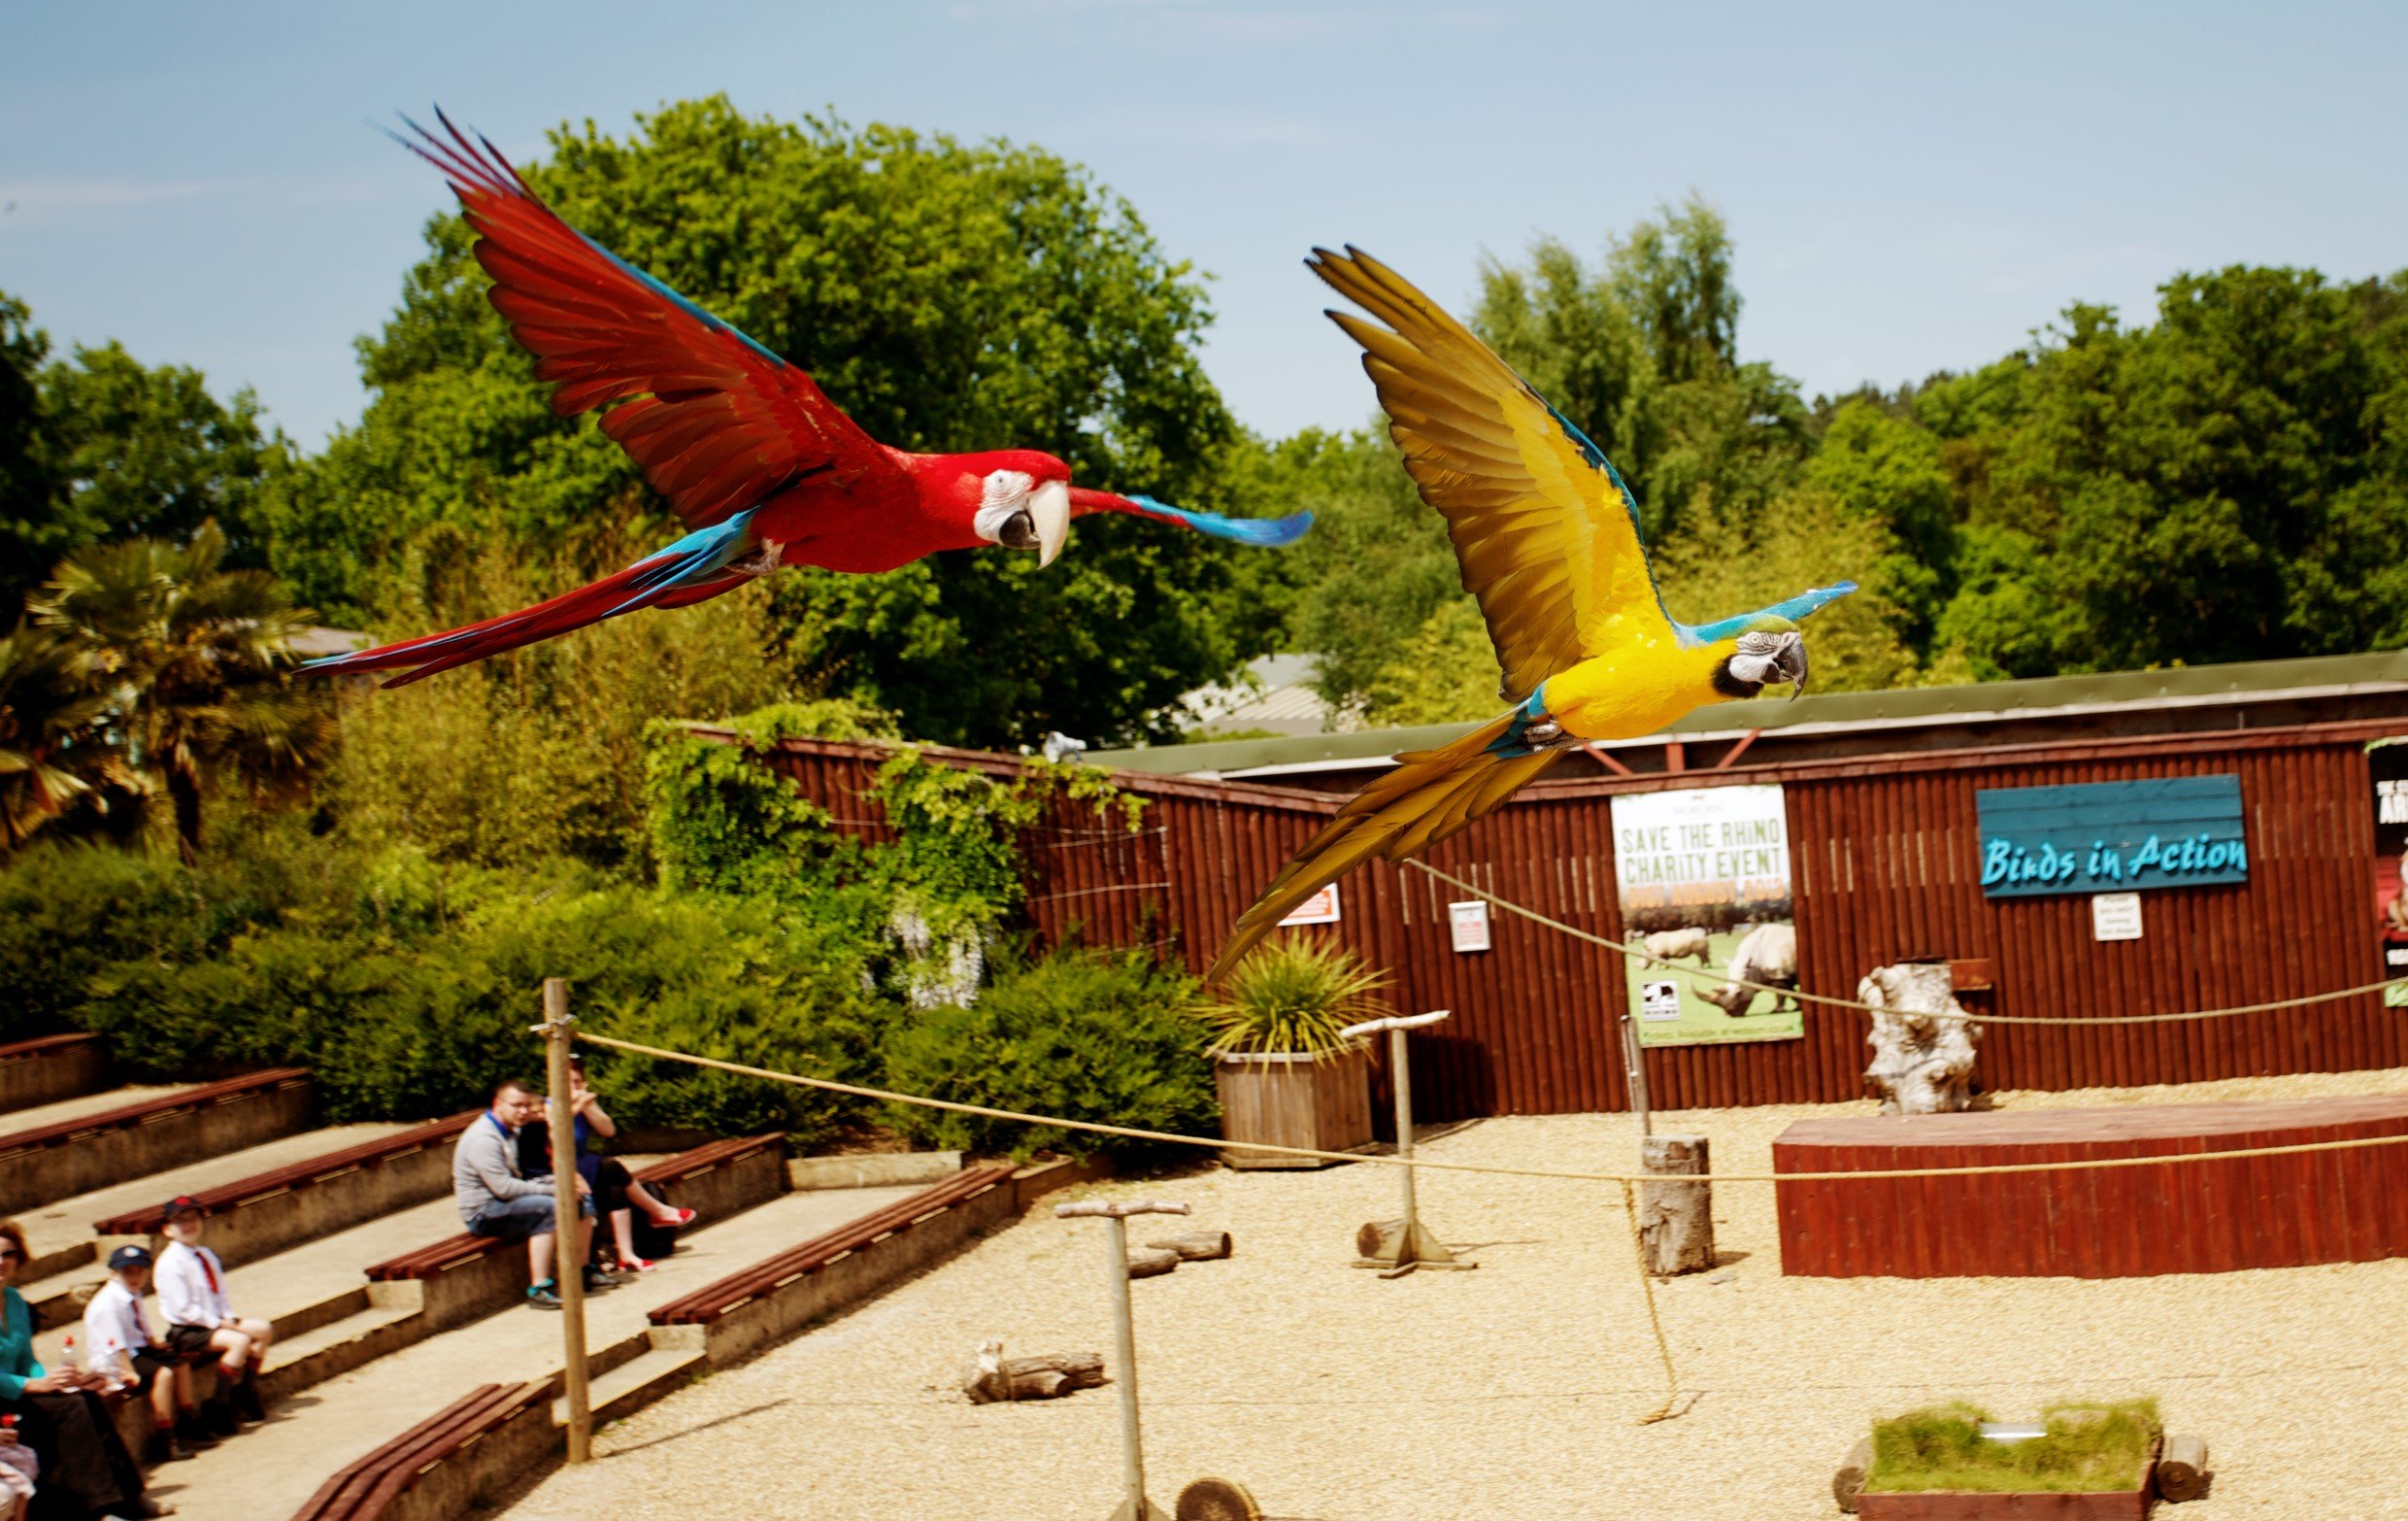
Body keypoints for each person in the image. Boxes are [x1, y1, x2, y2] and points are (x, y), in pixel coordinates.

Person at [0, 1217, 171, 1518]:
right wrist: (32, 1385)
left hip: (18, 1389)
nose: (1, 1262)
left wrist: (54, 1380)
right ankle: (103, 1507)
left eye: (7, 1254)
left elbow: (26, 1360)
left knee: (87, 1397)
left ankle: (131, 1496)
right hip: (6, 1397)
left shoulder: (13, 1301)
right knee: (73, 1409)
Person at [453, 1078, 602, 1310]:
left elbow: (549, 1116)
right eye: (516, 1105)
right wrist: (557, 1190)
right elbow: (503, 1188)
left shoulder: (509, 1128)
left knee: (582, 1198)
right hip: (484, 1212)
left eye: (526, 1105)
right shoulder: (484, 1139)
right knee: (550, 1207)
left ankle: (582, 1270)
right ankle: (539, 1287)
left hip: (506, 1200)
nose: (523, 1111)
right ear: (497, 1104)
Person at [546, 1056, 694, 1273]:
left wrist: (588, 1107)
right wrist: (576, 1107)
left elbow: (609, 1131)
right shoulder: (548, 1105)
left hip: (583, 1166)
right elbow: (554, 1134)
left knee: (615, 1186)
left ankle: (627, 1255)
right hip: (560, 1170)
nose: (573, 1087)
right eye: (568, 1082)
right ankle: (658, 1212)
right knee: (610, 1167)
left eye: (577, 1082)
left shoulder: (583, 1105)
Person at [81, 1247, 208, 1464]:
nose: (134, 1277)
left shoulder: (130, 1294)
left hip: (135, 1349)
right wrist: (129, 1372)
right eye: (128, 1272)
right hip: (114, 1360)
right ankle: (165, 1438)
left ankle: (188, 1425)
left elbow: (140, 1327)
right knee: (164, 1374)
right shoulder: (107, 1305)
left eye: (139, 1271)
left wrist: (153, 1343)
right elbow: (116, 1345)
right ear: (114, 1274)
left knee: (181, 1365)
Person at [154, 1199, 270, 1435]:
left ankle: (246, 1389)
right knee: (240, 1341)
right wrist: (219, 1324)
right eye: (181, 1221)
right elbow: (183, 1310)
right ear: (167, 1229)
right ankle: (220, 1403)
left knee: (263, 1329)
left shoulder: (205, 1255)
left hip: (215, 1323)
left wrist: (229, 1318)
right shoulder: (169, 1263)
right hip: (187, 1331)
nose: (189, 1225)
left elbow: (219, 1295)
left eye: (193, 1219)